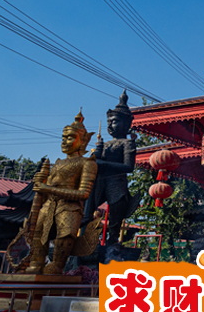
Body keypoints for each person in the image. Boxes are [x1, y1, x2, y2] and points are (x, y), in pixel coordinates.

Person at [27, 112, 98, 274]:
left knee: (65, 236)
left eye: (70, 138)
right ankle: (36, 262)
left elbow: (83, 193)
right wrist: (41, 184)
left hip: (69, 207)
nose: (65, 142)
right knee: (38, 234)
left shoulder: (87, 163)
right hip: (49, 204)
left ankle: (57, 265)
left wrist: (48, 189)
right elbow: (47, 188)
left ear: (83, 141)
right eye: (63, 138)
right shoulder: (58, 163)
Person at [83, 91, 137, 245]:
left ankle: (112, 243)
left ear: (126, 124)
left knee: (115, 218)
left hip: (117, 183)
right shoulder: (105, 144)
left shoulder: (127, 143)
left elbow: (128, 167)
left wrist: (103, 164)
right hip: (100, 182)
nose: (110, 125)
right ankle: (85, 238)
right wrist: (96, 156)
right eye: (109, 122)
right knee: (86, 211)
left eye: (114, 121)